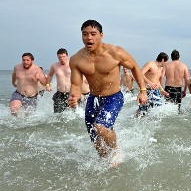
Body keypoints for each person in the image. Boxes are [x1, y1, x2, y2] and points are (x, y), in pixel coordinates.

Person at [67, 19, 148, 163]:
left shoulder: (115, 53)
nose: (89, 38)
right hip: (93, 98)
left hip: (113, 97)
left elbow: (135, 67)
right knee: (95, 139)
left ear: (101, 35)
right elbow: (76, 84)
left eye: (93, 34)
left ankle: (116, 151)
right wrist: (73, 97)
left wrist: (142, 91)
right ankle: (105, 165)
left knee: (101, 126)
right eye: (85, 34)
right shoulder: (76, 59)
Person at [46, 48, 71, 113]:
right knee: (57, 114)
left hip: (71, 92)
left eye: (63, 57)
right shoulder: (54, 66)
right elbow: (50, 75)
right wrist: (48, 85)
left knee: (73, 114)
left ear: (67, 56)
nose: (62, 59)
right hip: (60, 93)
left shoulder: (72, 64)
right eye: (60, 57)